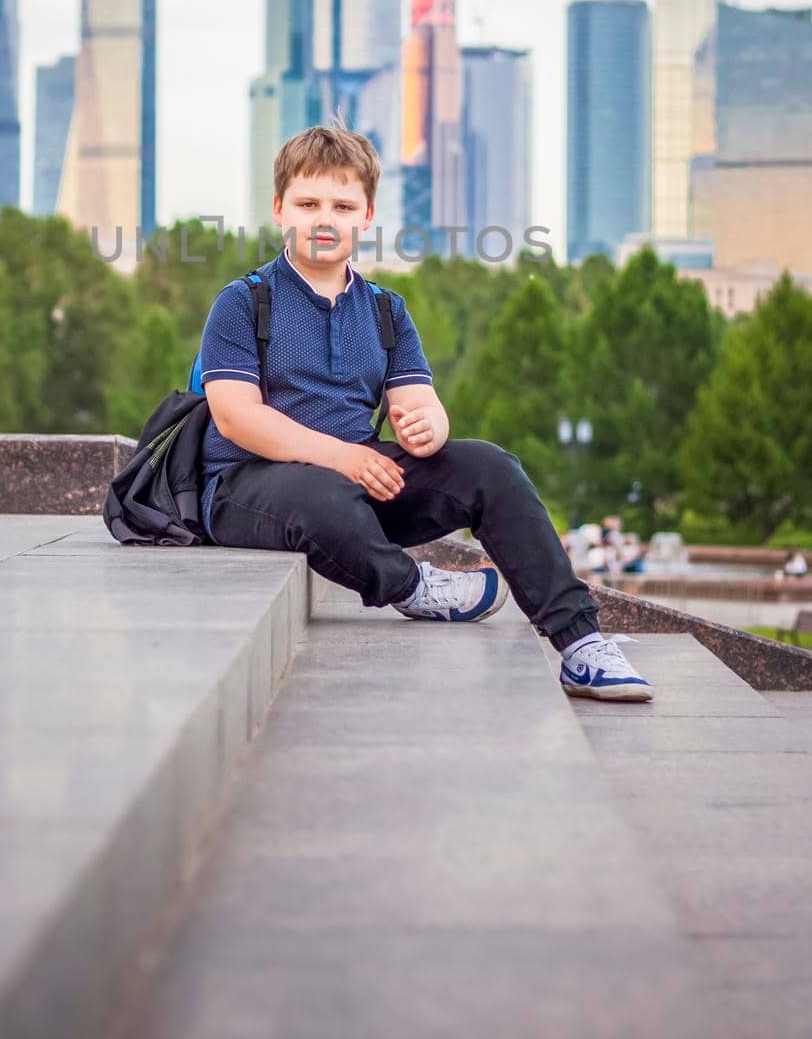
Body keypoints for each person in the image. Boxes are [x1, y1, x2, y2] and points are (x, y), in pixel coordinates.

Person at [197, 123, 653, 704]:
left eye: (342, 205)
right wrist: (344, 457)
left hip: (356, 485)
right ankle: (410, 585)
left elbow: (420, 404)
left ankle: (580, 644)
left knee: (489, 466)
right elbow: (237, 418)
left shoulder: (386, 310)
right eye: (308, 204)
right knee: (322, 494)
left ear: (366, 216)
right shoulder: (243, 302)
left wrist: (427, 427)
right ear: (280, 208)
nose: (324, 219)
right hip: (246, 487)